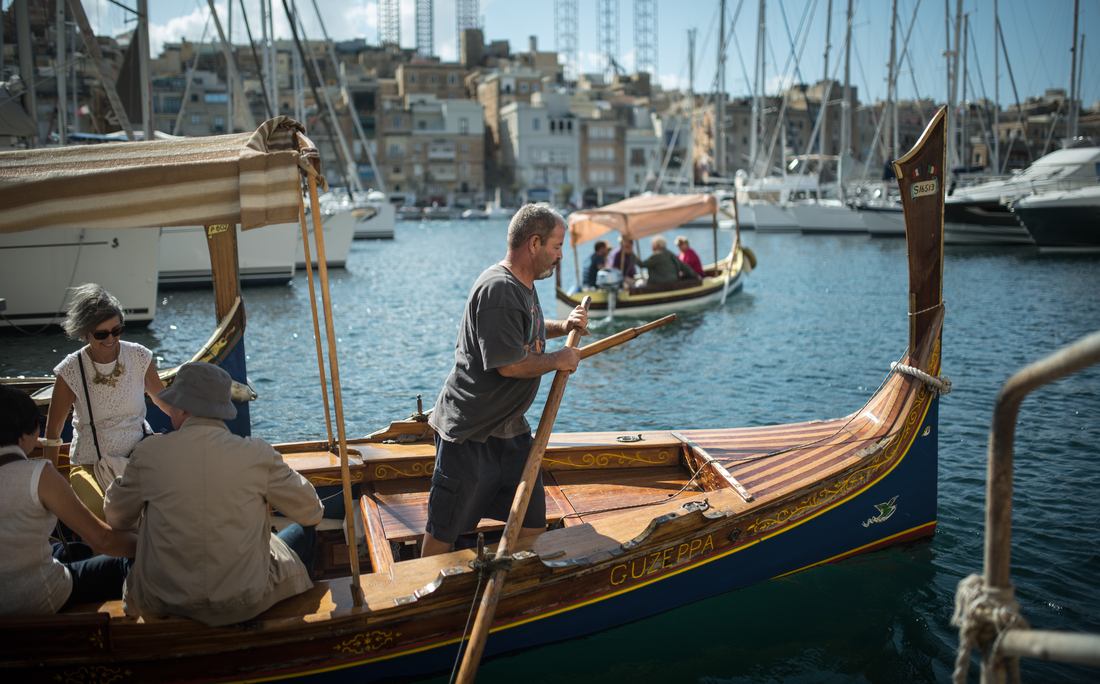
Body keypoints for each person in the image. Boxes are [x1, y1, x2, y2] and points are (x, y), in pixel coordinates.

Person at [422, 204, 588, 557]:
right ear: (534, 243)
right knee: (445, 529)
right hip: (470, 433)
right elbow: (509, 364)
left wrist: (564, 327)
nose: (560, 256)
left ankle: (517, 588)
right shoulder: (499, 289)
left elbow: (526, 333)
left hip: (510, 431)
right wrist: (560, 359)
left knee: (530, 523)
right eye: (557, 247)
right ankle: (423, 595)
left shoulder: (523, 286)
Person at [104, 362, 324, 626]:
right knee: (305, 531)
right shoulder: (256, 453)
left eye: (173, 405)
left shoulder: (149, 453)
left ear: (184, 408)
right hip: (243, 601)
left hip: (164, 600)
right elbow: (312, 512)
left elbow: (116, 518)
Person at [0, 385, 134, 615]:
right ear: (27, 433)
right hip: (36, 599)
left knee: (75, 551)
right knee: (121, 563)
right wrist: (149, 545)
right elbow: (103, 539)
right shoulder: (39, 475)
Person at [42, 284, 172, 520]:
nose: (111, 338)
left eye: (117, 330)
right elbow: (53, 433)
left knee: (172, 506)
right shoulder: (71, 370)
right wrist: (49, 484)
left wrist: (196, 424)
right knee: (105, 514)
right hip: (89, 464)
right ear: (85, 334)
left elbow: (164, 401)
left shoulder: (139, 356)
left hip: (137, 458)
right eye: (101, 334)